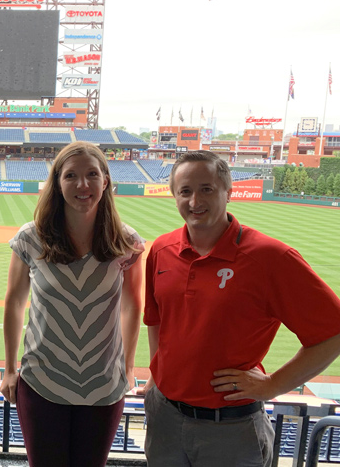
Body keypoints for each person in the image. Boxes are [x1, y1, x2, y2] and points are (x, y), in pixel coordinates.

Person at [143, 150, 340, 466]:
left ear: (228, 191)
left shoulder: (270, 257)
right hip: (165, 418)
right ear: (174, 196)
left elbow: (333, 331)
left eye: (206, 188)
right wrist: (156, 375)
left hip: (231, 430)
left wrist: (273, 385)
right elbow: (155, 319)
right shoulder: (162, 250)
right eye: (185, 191)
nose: (195, 201)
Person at [1, 141, 144, 467]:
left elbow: (132, 305)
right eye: (71, 176)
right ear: (58, 182)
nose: (82, 185)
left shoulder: (127, 242)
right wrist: (9, 369)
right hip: (42, 383)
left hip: (103, 386)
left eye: (92, 174)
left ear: (105, 180)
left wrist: (129, 366)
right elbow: (14, 302)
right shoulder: (30, 238)